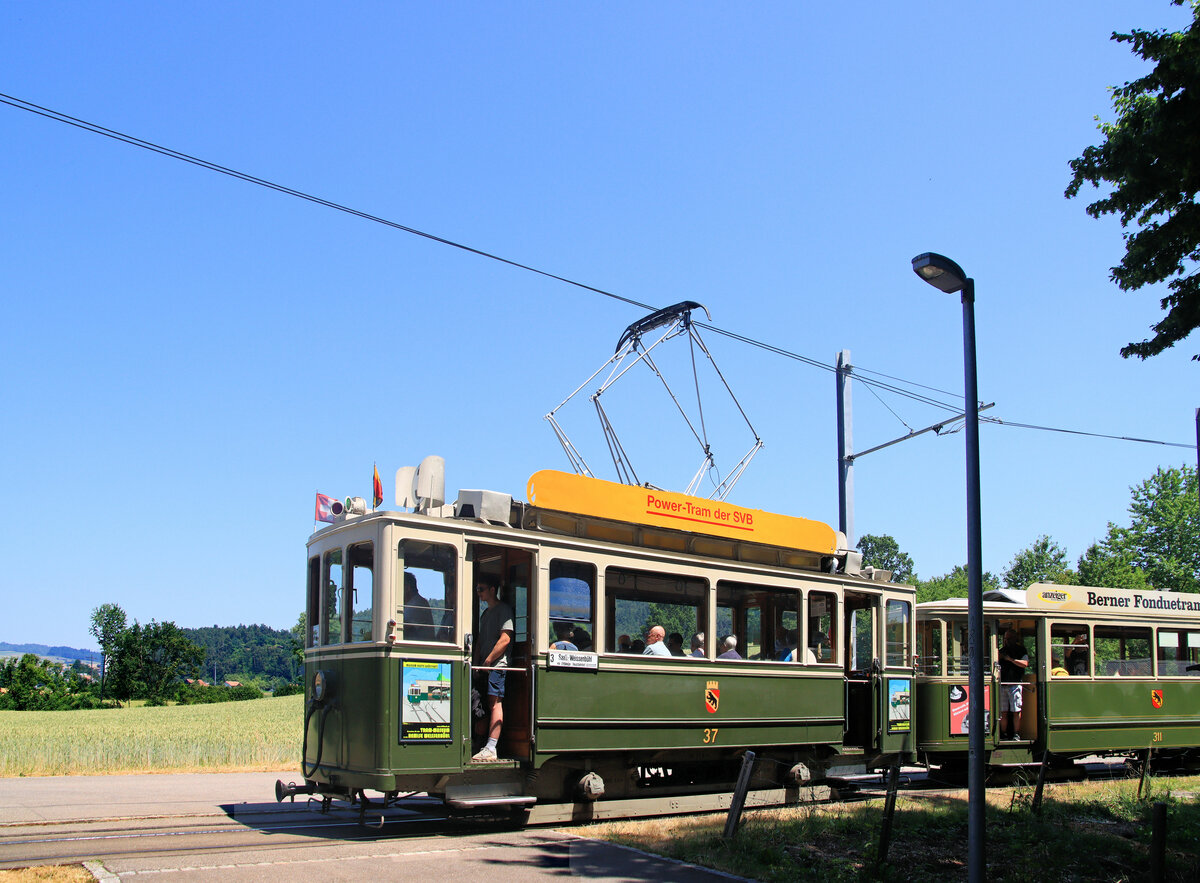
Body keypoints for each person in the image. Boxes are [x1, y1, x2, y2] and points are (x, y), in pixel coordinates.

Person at [472, 576, 514, 762]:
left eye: (481, 588)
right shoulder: (485, 614)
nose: (479, 592)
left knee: (495, 703)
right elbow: (481, 640)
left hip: (497, 666)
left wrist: (488, 661)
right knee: (482, 705)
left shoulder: (503, 610)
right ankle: (480, 743)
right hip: (484, 665)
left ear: (492, 589)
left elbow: (505, 639)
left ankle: (491, 747)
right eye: (477, 589)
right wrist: (476, 661)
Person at [998, 629, 1029, 740]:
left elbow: (1025, 663)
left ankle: (1016, 733)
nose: (1007, 641)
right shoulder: (1002, 650)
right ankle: (1003, 733)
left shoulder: (1021, 650)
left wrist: (1010, 660)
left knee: (1016, 711)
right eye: (1005, 638)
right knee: (1003, 711)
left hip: (1015, 684)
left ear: (1015, 638)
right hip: (1002, 685)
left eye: (1009, 638)